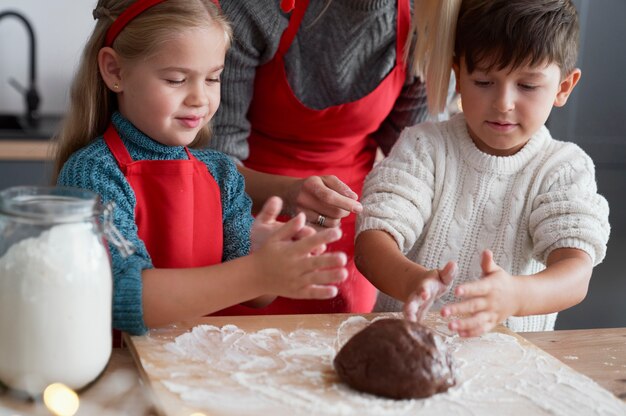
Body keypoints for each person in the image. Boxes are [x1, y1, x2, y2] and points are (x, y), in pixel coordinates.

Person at [53, 0, 349, 336]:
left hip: (193, 369)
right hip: (120, 372)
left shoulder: (220, 173)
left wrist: (272, 255)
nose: (200, 98)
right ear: (115, 71)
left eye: (213, 78)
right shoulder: (94, 173)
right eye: (177, 79)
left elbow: (258, 297)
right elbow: (121, 293)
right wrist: (255, 272)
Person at [354, 0, 611, 336]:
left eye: (527, 85)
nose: (503, 103)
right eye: (484, 82)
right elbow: (373, 240)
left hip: (515, 364)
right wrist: (414, 282)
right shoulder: (424, 147)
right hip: (409, 343)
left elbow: (576, 272)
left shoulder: (562, 169)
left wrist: (516, 297)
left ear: (563, 87)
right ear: (457, 77)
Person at [209, 0, 441, 315]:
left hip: (348, 233)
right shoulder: (258, 8)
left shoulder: (425, 25)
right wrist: (288, 194)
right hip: (241, 216)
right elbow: (210, 163)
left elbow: (413, 161)